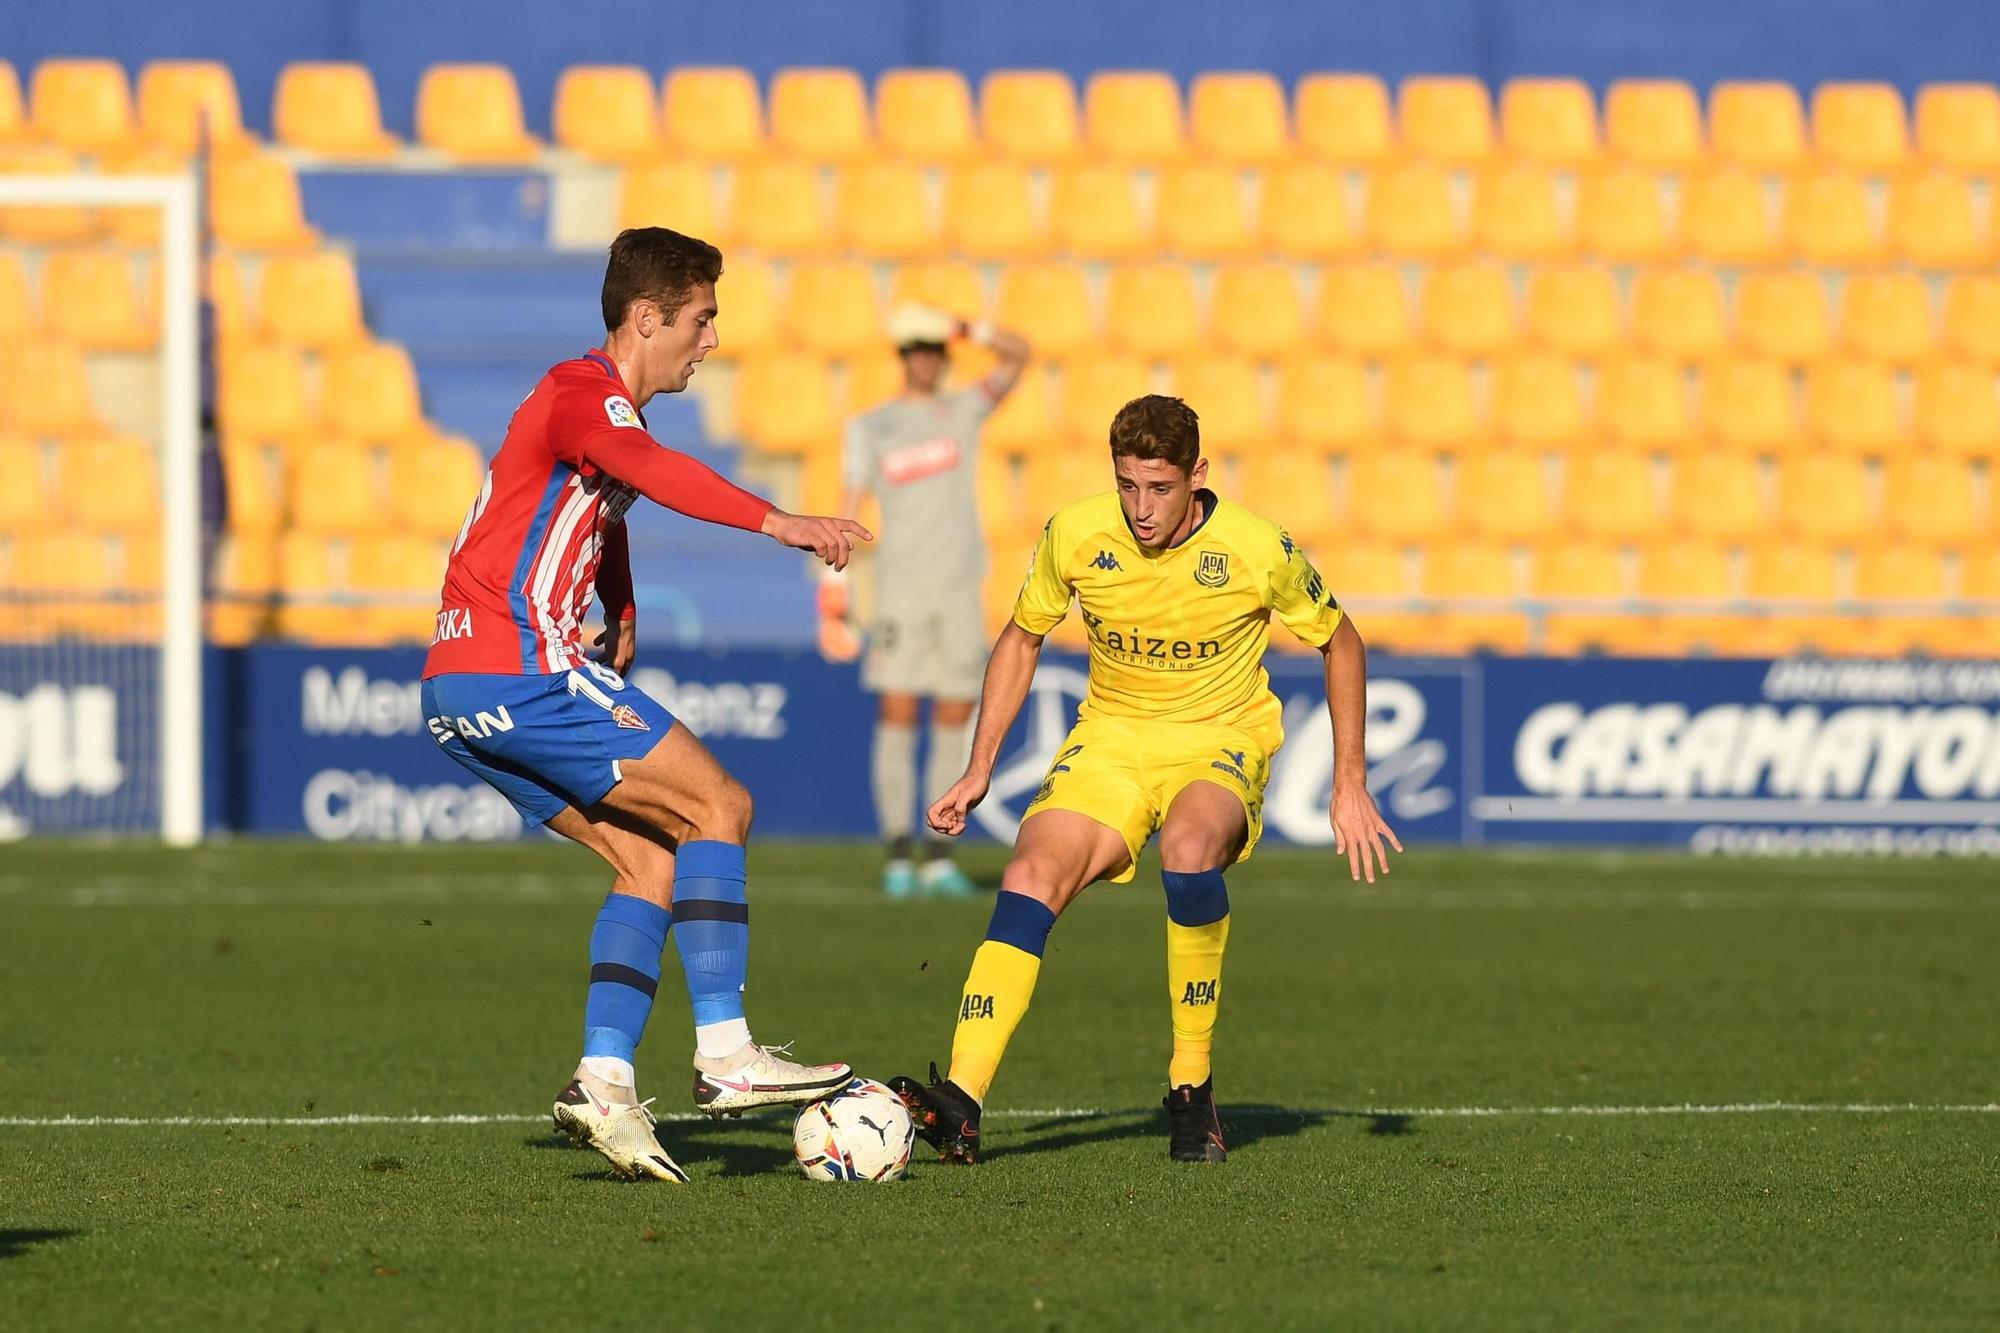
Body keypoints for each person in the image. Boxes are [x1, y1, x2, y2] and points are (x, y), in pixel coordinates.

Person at [420, 226, 873, 1183]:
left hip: (459, 687)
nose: (710, 341)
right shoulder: (587, 393)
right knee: (722, 805)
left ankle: (604, 1080)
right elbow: (661, 478)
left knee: (653, 859)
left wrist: (618, 607)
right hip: (522, 665)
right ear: (647, 318)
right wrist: (781, 520)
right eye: (701, 320)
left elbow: (613, 500)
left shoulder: (594, 414)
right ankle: (727, 1052)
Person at [891, 394, 1402, 1165]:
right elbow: (1023, 637)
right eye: (1127, 485)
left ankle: (1191, 1088)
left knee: (1190, 848)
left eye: (1159, 488)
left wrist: (1350, 780)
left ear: (1197, 475)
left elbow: (1343, 640)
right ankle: (961, 1098)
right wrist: (979, 768)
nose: (1140, 507)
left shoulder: (1255, 547)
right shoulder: (1076, 532)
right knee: (1030, 870)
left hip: (1219, 737)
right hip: (1111, 739)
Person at [826, 303, 1032, 897]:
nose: (924, 360)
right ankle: (897, 851)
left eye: (933, 350)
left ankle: (939, 853)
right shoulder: (872, 426)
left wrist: (966, 328)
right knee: (896, 713)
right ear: (902, 358)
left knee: (952, 715)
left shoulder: (961, 411)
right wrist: (835, 590)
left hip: (957, 586)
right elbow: (849, 505)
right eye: (915, 350)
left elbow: (1019, 355)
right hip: (900, 588)